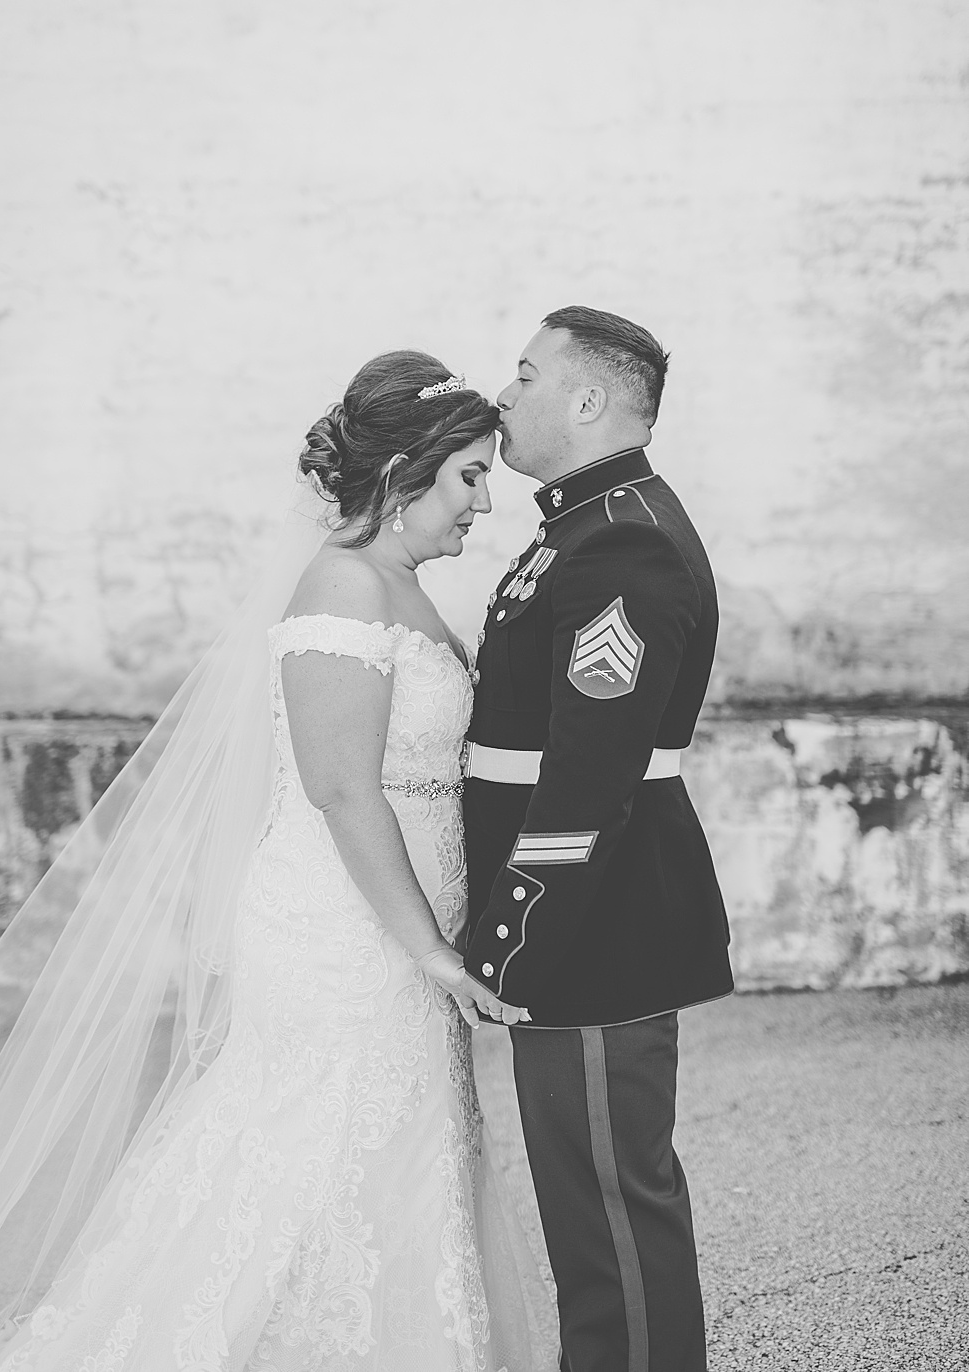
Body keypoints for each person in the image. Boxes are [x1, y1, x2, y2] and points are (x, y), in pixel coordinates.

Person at [0, 351, 560, 1371]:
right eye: (469, 476)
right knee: (303, 1151)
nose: (483, 502)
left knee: (396, 1147)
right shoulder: (342, 584)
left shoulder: (397, 584)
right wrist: (428, 948)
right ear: (402, 475)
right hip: (343, 927)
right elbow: (340, 788)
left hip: (403, 919)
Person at [462, 306, 730, 1372]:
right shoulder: (580, 525)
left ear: (586, 400)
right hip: (584, 923)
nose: (503, 394)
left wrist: (509, 937)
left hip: (593, 926)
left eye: (525, 376)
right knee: (585, 1211)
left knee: (613, 1209)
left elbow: (587, 781)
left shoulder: (622, 541)